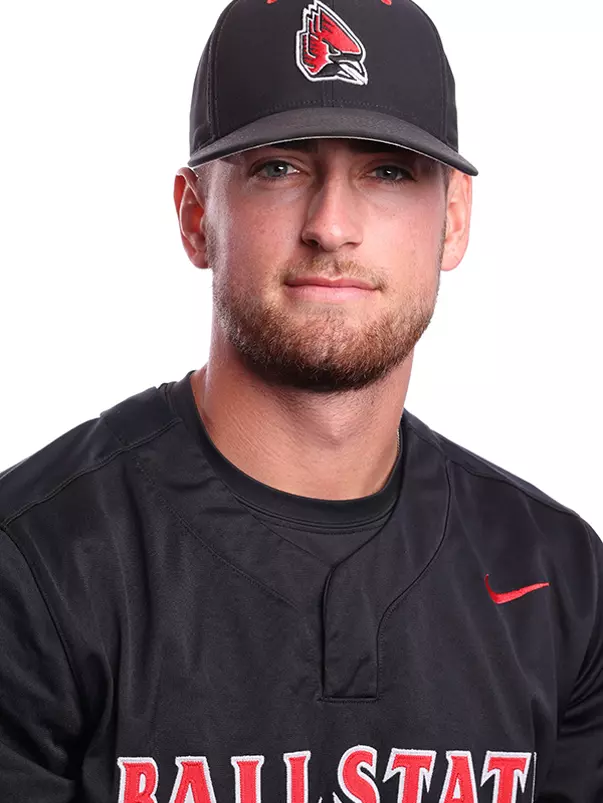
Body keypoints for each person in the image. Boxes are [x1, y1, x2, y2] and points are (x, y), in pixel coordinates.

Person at [1, 0, 601, 800]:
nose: (331, 225)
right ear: (194, 217)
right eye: (278, 167)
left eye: (387, 171)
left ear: (452, 221)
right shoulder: (37, 562)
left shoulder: (557, 574)